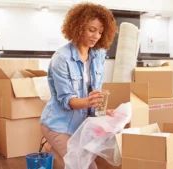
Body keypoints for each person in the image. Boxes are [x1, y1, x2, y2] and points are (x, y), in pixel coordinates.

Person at [40, 2, 118, 169]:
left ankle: (51, 151)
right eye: (91, 29)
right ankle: (51, 146)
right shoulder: (61, 58)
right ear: (78, 26)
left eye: (100, 32)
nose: (96, 36)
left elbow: (96, 93)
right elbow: (66, 100)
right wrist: (89, 102)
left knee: (86, 164)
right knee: (82, 166)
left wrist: (103, 110)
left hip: (81, 125)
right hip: (58, 124)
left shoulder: (98, 55)